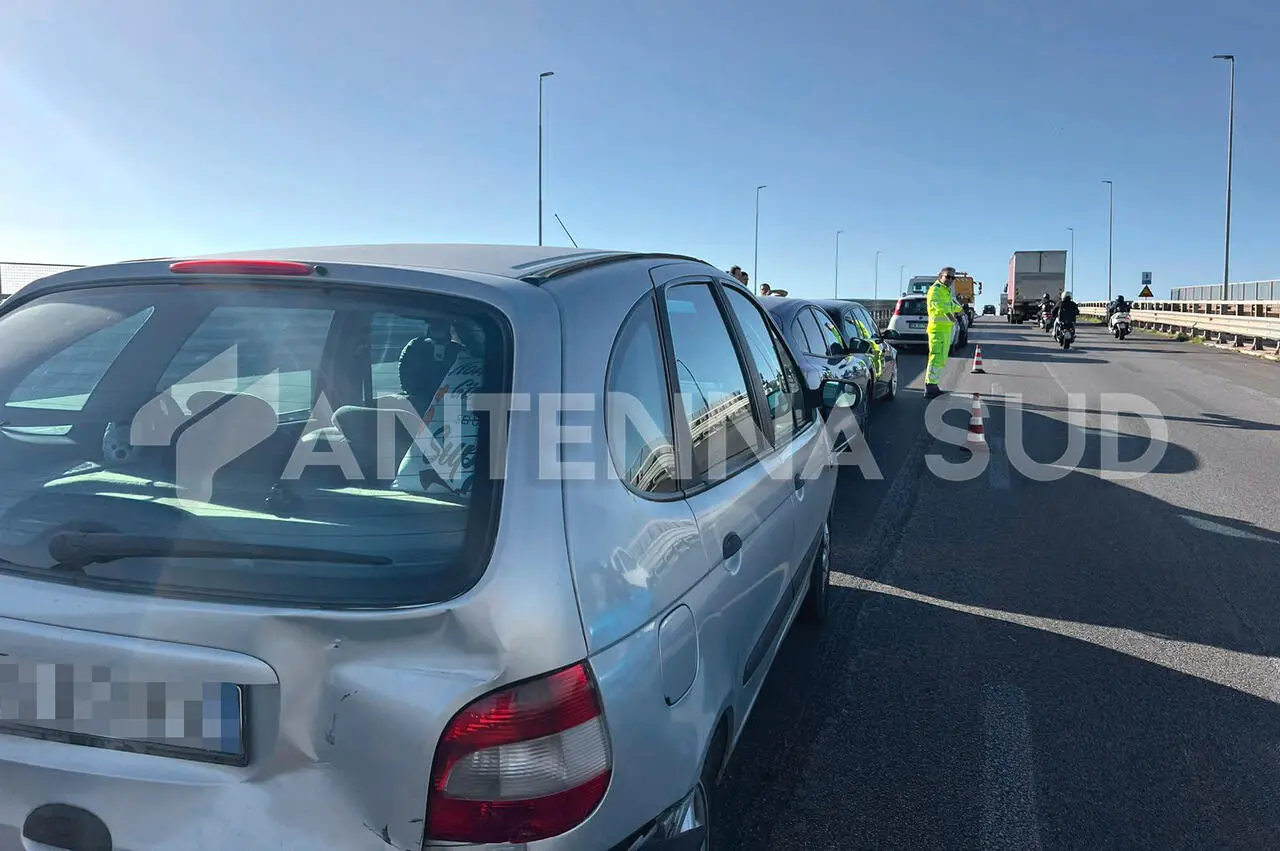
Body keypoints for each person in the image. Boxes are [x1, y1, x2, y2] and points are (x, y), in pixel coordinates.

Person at [925, 266, 964, 398]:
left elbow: (951, 305)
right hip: (937, 330)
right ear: (940, 276)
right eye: (948, 276)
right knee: (936, 357)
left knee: (941, 359)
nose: (950, 279)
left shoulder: (946, 291)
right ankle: (930, 387)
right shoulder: (935, 290)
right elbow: (939, 306)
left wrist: (959, 309)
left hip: (946, 329)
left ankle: (934, 385)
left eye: (953, 277)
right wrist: (951, 316)